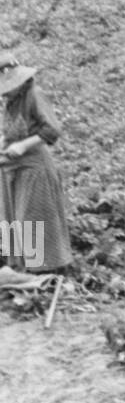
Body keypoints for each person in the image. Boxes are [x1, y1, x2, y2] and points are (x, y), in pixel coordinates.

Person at [0, 54, 72, 274]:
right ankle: (18, 268)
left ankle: (42, 269)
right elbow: (14, 130)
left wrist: (22, 146)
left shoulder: (34, 95)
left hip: (34, 168)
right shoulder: (11, 102)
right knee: (12, 219)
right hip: (12, 169)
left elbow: (51, 130)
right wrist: (4, 142)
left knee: (32, 218)